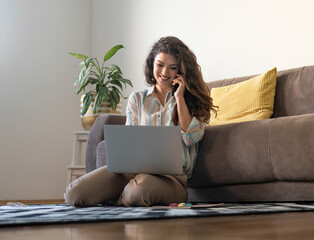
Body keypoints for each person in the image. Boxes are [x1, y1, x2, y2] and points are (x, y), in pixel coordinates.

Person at [64, 36, 216, 207]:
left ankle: (119, 197)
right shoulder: (137, 99)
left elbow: (191, 138)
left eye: (172, 68)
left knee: (135, 195)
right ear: (152, 64)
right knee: (74, 194)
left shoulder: (193, 101)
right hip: (133, 172)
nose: (165, 73)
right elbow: (130, 143)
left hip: (174, 180)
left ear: (181, 71)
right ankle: (120, 195)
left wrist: (179, 98)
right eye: (160, 65)